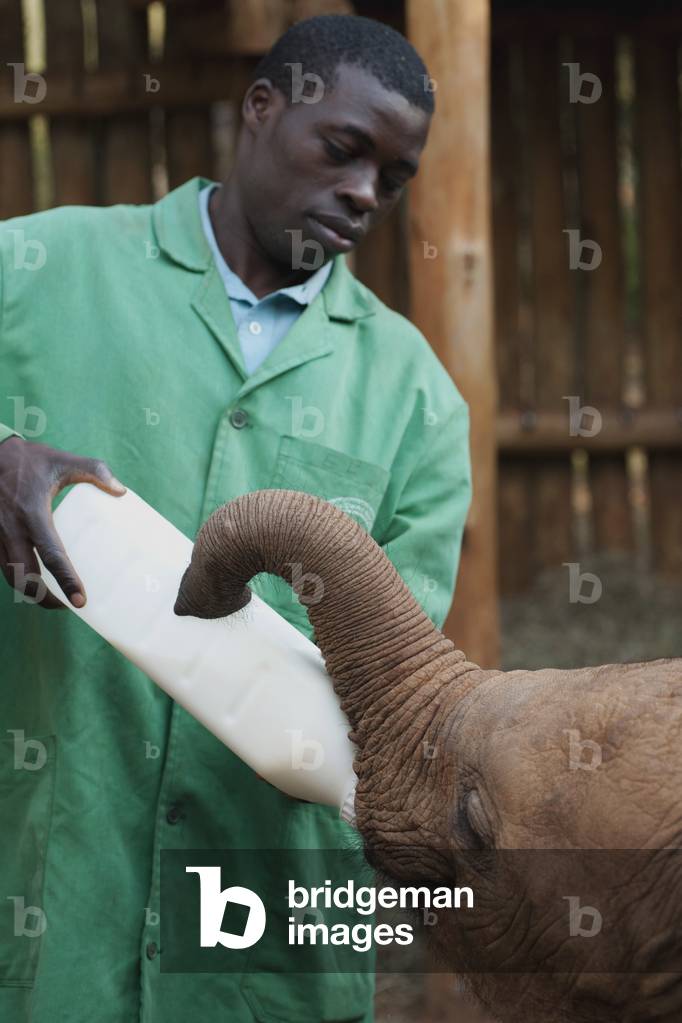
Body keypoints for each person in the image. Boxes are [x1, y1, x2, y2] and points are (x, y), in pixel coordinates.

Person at [0, 13, 472, 1022]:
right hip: (49, 905)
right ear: (261, 109)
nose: (362, 193)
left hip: (261, 942)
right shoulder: (35, 273)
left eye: (391, 181)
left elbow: (385, 695)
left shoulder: (415, 402)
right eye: (342, 150)